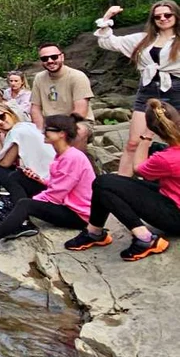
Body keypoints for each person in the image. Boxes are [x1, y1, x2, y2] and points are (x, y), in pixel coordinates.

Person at [0, 114, 95, 255]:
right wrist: (40, 180)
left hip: (79, 215)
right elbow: (58, 184)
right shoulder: (62, 154)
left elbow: (56, 195)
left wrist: (26, 206)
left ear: (61, 134)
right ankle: (19, 223)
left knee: (24, 204)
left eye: (48, 129)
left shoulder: (73, 158)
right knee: (17, 176)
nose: (43, 132)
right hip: (66, 203)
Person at [64, 98, 179, 261]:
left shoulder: (167, 158)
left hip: (175, 217)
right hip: (171, 197)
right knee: (108, 186)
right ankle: (94, 232)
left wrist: (146, 136)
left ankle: (145, 239)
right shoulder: (169, 153)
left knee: (103, 183)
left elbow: (138, 168)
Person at [94, 1, 180, 177]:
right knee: (134, 142)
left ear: (176, 16)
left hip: (176, 88)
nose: (163, 19)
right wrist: (107, 17)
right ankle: (122, 185)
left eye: (167, 15)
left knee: (176, 142)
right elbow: (107, 42)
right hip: (148, 90)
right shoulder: (142, 39)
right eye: (158, 16)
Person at [0, 102, 56, 228]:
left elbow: (5, 162)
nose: (0, 122)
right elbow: (4, 157)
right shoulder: (27, 126)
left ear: (10, 114)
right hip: (49, 182)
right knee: (7, 172)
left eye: (2, 117)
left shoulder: (17, 132)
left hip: (46, 184)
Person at [31, 43, 95, 150]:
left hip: (77, 122)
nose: (50, 61)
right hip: (49, 122)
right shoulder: (39, 78)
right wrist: (40, 130)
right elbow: (35, 108)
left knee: (79, 133)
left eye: (54, 57)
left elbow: (80, 111)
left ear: (62, 57)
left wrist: (60, 131)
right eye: (45, 58)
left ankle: (76, 164)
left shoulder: (77, 77)